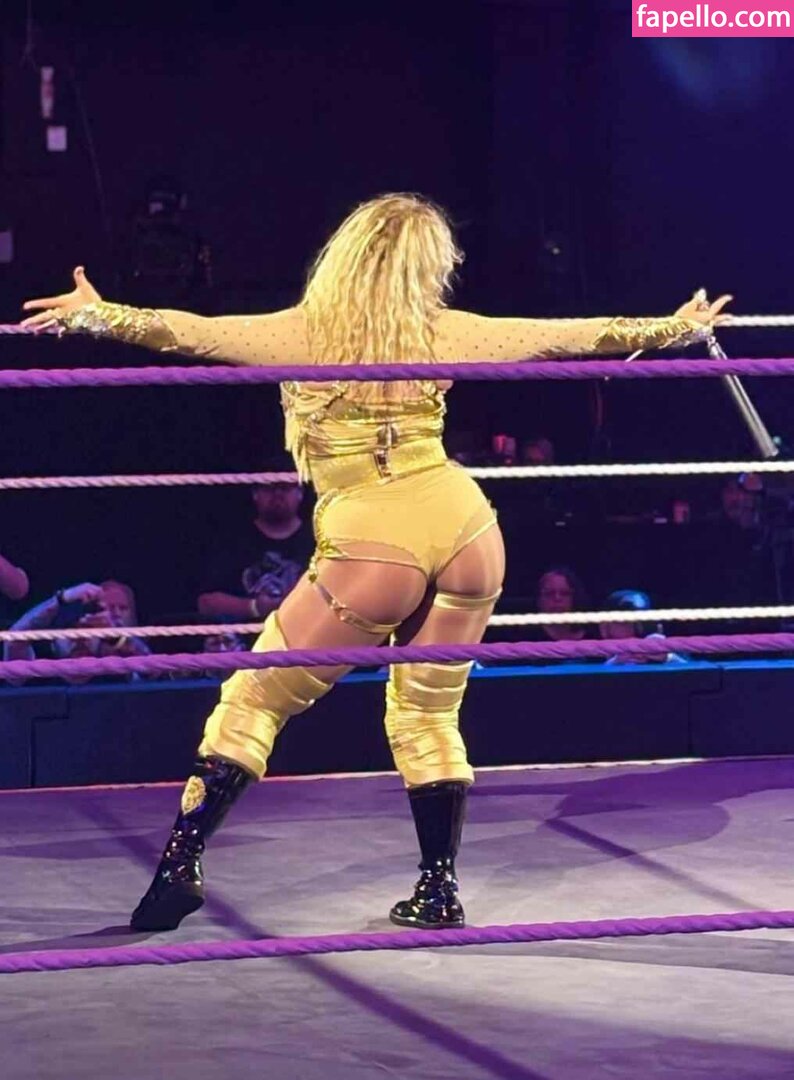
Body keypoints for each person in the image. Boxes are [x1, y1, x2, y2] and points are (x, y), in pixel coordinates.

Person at [22, 192, 728, 933]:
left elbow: (188, 333)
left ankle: (178, 868)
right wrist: (674, 327)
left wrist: (99, 315)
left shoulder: (303, 332)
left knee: (254, 698)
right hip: (465, 525)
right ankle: (438, 888)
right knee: (427, 712)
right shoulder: (444, 331)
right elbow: (572, 337)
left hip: (376, 534)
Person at [197, 471, 313, 621]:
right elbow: (206, 603)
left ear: (300, 493)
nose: (277, 494)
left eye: (285, 487)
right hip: (249, 633)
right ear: (255, 494)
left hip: (307, 631)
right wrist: (255, 607)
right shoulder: (233, 540)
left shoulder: (319, 539)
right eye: (268, 487)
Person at [2, 579, 151, 684]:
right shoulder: (37, 672)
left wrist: (117, 638)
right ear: (54, 641)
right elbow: (14, 639)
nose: (80, 640)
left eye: (87, 631)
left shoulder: (116, 670)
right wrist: (61, 599)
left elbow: (152, 670)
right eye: (71, 632)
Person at [535, 566, 591, 642]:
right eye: (549, 593)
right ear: (539, 599)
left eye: (565, 593)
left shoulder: (593, 635)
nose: (557, 598)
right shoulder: (527, 637)